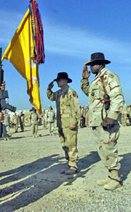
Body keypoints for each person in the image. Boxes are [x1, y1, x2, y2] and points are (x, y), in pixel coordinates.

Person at [81, 52, 124, 190]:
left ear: (101, 64)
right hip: (97, 120)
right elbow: (89, 93)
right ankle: (110, 175)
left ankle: (116, 177)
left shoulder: (109, 76)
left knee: (109, 147)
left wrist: (112, 116)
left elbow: (117, 97)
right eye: (91, 64)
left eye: (93, 64)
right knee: (103, 148)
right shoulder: (96, 79)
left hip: (107, 120)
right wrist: (84, 80)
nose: (91, 67)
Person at [47, 72, 81, 175]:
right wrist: (49, 89)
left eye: (60, 80)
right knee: (65, 145)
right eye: (57, 80)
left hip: (69, 123)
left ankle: (73, 166)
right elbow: (51, 97)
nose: (58, 82)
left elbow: (76, 108)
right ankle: (69, 164)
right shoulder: (58, 93)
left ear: (66, 81)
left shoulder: (71, 93)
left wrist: (74, 122)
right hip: (61, 123)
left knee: (71, 145)